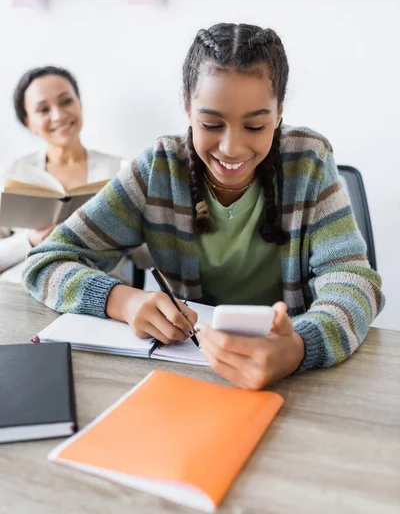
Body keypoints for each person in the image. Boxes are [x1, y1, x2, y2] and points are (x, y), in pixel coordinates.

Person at [23, 24, 384, 389]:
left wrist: (299, 346)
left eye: (256, 126)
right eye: (211, 123)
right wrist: (123, 302)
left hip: (295, 381)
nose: (232, 148)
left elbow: (354, 281)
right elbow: (45, 261)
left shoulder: (309, 161)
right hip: (189, 373)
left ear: (278, 114)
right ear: (186, 106)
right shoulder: (157, 170)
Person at [0, 66, 123, 282]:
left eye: (66, 101)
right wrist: (30, 240)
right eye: (43, 109)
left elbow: (144, 253)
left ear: (80, 103)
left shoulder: (119, 169)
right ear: (28, 122)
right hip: (23, 289)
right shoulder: (15, 172)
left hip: (100, 289)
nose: (58, 115)